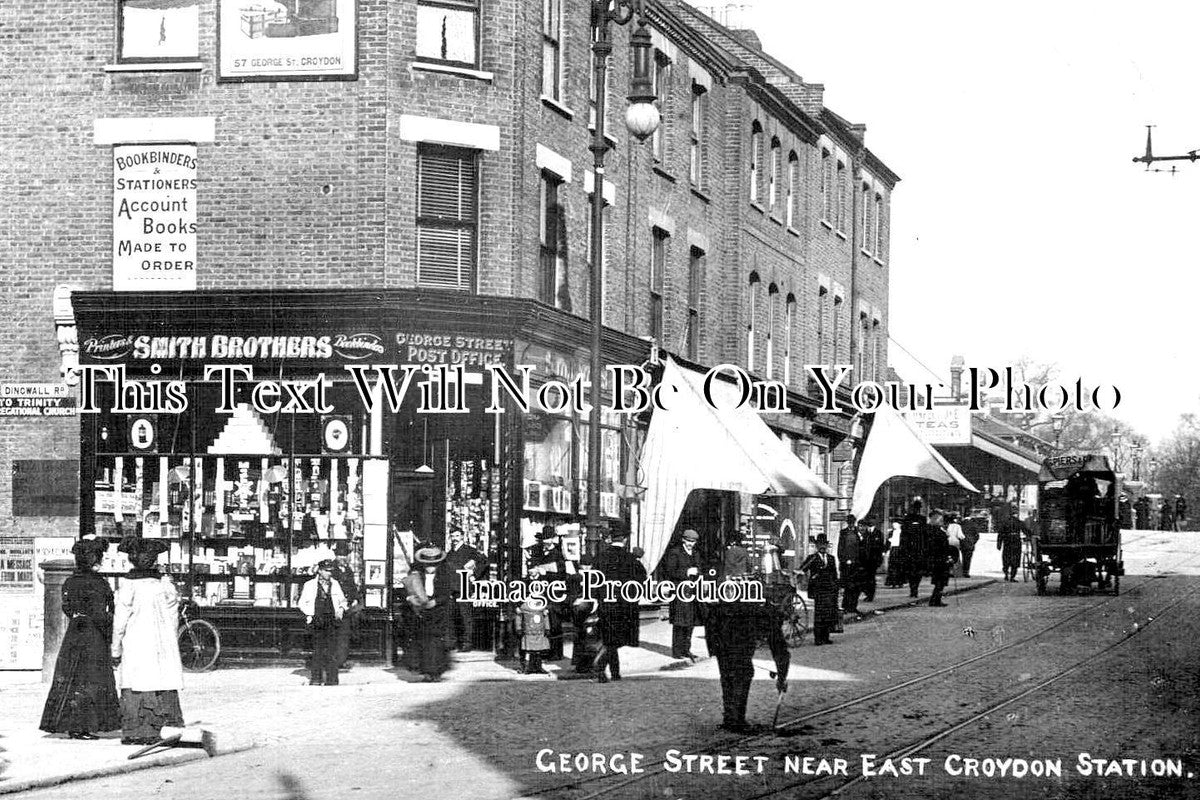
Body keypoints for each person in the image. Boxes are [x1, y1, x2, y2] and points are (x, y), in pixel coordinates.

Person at [40, 538, 120, 739]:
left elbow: (66, 607)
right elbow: (105, 612)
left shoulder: (70, 581)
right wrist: (110, 633)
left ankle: (69, 723)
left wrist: (78, 615)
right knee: (91, 678)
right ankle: (84, 726)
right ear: (94, 560)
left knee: (72, 677)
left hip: (75, 633)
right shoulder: (99, 583)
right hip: (94, 635)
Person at [111, 537, 185, 745]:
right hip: (163, 643)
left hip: (137, 641)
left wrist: (115, 648)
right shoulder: (165, 585)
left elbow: (120, 622)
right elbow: (173, 618)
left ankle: (137, 731)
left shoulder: (128, 586)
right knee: (161, 681)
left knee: (137, 683)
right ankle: (164, 728)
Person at [703, 578, 790, 732]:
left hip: (719, 638)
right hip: (735, 638)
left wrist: (713, 649)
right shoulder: (769, 612)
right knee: (743, 673)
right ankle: (737, 721)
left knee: (728, 675)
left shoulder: (748, 600)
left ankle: (730, 718)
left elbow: (712, 616)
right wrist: (782, 678)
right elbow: (779, 649)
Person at [591, 524, 646, 683]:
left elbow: (594, 581)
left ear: (611, 539)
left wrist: (597, 599)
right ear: (625, 540)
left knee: (610, 639)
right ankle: (601, 665)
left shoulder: (600, 557)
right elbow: (641, 580)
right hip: (624, 607)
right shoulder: (630, 559)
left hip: (606, 605)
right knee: (615, 640)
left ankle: (614, 672)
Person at [401, 545, 453, 681]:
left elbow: (446, 594)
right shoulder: (417, 576)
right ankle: (426, 671)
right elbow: (408, 591)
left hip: (439, 613)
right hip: (422, 613)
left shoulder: (444, 576)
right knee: (424, 642)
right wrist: (412, 599)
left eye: (433, 565)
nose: (430, 568)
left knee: (436, 643)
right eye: (427, 565)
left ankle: (436, 671)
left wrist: (435, 602)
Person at [299, 557, 348, 685]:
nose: (329, 573)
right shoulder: (309, 585)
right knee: (318, 650)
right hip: (317, 620)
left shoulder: (335, 584)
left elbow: (343, 600)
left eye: (331, 571)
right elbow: (302, 603)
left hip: (331, 620)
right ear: (319, 571)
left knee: (332, 650)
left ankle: (332, 679)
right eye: (326, 571)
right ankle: (316, 678)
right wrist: (310, 614)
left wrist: (341, 609)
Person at [528, 526, 569, 661]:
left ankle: (556, 652)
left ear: (552, 539)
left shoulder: (558, 553)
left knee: (554, 621)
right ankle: (544, 650)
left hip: (554, 591)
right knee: (541, 621)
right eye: (544, 539)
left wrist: (546, 571)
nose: (546, 541)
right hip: (540, 590)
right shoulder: (537, 551)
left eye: (548, 538)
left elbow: (562, 573)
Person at [445, 527, 487, 651]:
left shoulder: (470, 551)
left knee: (465, 616)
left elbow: (484, 562)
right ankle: (452, 643)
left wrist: (473, 575)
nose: (454, 539)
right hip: (452, 589)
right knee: (451, 615)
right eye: (452, 536)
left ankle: (467, 643)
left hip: (464, 588)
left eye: (457, 536)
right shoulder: (449, 553)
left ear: (462, 536)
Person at [663, 529, 703, 660]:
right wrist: (687, 572)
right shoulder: (675, 552)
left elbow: (700, 569)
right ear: (683, 540)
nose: (691, 544)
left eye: (693, 542)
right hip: (679, 592)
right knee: (680, 622)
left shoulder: (696, 553)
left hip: (691, 592)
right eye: (689, 541)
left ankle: (687, 649)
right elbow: (670, 571)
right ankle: (677, 651)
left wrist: (698, 574)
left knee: (690, 622)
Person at [798, 534, 839, 645]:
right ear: (816, 546)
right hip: (818, 589)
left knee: (828, 613)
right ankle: (818, 638)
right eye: (820, 544)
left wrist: (836, 587)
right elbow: (802, 569)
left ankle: (826, 637)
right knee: (819, 614)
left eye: (824, 544)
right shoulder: (812, 558)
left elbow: (834, 574)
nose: (822, 547)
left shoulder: (831, 558)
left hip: (829, 589)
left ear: (826, 546)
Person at [330, 544, 361, 672]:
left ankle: (341, 660)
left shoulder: (348, 570)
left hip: (347, 607)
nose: (342, 558)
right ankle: (333, 661)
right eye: (340, 555)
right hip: (334, 607)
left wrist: (354, 599)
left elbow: (352, 586)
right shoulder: (331, 569)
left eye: (344, 555)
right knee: (334, 635)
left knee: (344, 635)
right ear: (336, 556)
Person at [900, 500, 929, 598]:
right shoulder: (908, 519)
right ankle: (913, 588)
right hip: (911, 549)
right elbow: (903, 535)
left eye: (918, 508)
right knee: (912, 571)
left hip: (918, 549)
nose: (917, 510)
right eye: (915, 508)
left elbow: (925, 535)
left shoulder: (922, 519)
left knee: (917, 571)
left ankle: (914, 588)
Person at [926, 512, 957, 607]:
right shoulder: (939, 533)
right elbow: (943, 547)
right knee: (941, 581)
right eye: (942, 521)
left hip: (937, 559)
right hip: (941, 560)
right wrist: (948, 556)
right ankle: (935, 600)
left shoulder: (933, 531)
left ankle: (935, 599)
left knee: (939, 581)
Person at [514, 596, 551, 674]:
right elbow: (519, 617)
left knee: (538, 651)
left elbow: (545, 617)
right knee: (528, 651)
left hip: (539, 631)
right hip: (529, 631)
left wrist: (547, 628)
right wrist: (519, 628)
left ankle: (538, 666)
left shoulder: (541, 606)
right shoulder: (524, 607)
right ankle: (526, 667)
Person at [858, 515, 887, 603]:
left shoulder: (878, 533)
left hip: (873, 560)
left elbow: (881, 547)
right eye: (869, 521)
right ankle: (866, 592)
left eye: (872, 521)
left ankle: (870, 595)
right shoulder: (864, 533)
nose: (871, 522)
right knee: (864, 577)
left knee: (871, 578)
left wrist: (879, 559)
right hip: (864, 560)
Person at [995, 507, 1029, 582]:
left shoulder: (1005, 522)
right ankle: (1012, 577)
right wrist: (1029, 537)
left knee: (1006, 559)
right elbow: (1026, 531)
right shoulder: (1019, 522)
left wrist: (999, 544)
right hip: (1016, 542)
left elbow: (1000, 534)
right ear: (1017, 514)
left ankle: (1006, 574)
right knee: (1015, 560)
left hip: (1007, 542)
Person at [837, 515, 861, 616]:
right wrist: (843, 560)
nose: (851, 523)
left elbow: (860, 547)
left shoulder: (857, 532)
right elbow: (840, 548)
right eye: (849, 522)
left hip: (856, 563)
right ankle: (846, 606)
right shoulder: (843, 532)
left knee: (856, 586)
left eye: (852, 522)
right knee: (847, 586)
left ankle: (853, 607)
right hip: (846, 563)